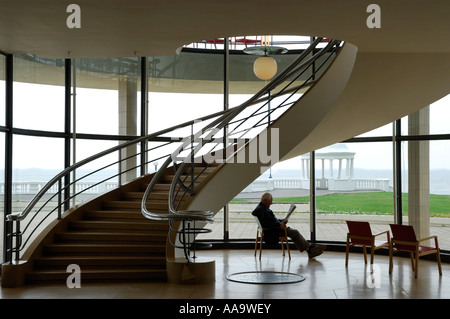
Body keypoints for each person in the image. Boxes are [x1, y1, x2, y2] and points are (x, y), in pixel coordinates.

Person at [251, 192, 326, 259]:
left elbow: (269, 221)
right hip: (273, 232)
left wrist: (281, 221)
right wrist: (279, 225)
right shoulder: (263, 210)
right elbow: (268, 223)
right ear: (265, 201)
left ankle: (310, 249)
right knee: (295, 232)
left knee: (294, 232)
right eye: (270, 201)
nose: (272, 203)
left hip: (274, 230)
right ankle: (310, 249)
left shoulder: (261, 208)